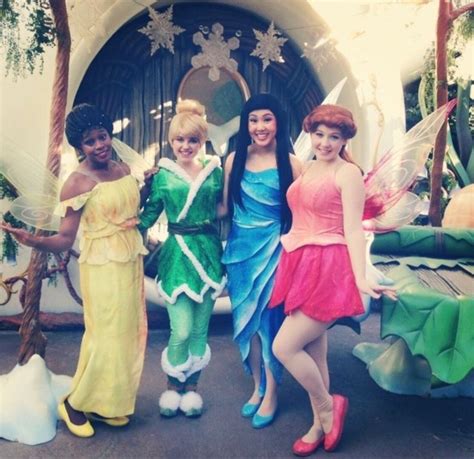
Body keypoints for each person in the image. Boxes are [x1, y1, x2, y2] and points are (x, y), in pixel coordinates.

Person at [1, 104, 152, 437]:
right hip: (102, 267)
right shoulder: (77, 183)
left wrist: (146, 189)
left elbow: (128, 207)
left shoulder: (125, 168)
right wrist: (32, 240)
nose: (99, 145)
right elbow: (66, 239)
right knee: (105, 337)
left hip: (129, 260)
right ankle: (74, 403)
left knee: (128, 334)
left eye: (103, 137)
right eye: (89, 141)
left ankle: (107, 403)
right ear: (78, 146)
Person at [269, 104, 397, 455]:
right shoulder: (307, 167)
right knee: (314, 352)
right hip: (299, 262)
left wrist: (361, 277)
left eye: (334, 137)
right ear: (310, 133)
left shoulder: (348, 173)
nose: (325, 143)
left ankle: (329, 406)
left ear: (344, 139)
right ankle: (317, 424)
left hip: (328, 266)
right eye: (319, 134)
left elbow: (353, 230)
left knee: (284, 347)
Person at [138, 99, 225, 418]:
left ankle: (192, 389)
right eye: (179, 140)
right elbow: (148, 216)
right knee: (183, 330)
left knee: (201, 330)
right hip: (177, 257)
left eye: (192, 140)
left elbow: (224, 208)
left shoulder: (214, 171)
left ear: (201, 141)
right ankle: (173, 385)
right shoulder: (163, 174)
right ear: (171, 140)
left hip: (208, 254)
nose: (185, 146)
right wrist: (124, 229)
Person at [221, 93, 302, 429]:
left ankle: (272, 394)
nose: (259, 127)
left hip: (274, 253)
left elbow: (302, 216)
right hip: (240, 254)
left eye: (266, 119)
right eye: (253, 120)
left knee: (270, 326)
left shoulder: (294, 164)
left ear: (278, 122)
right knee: (247, 327)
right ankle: (257, 386)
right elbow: (225, 209)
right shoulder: (234, 159)